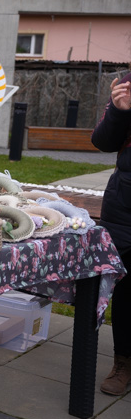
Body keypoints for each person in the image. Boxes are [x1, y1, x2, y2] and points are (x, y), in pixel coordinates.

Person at [91, 74, 131, 396]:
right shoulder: (127, 85)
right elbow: (103, 141)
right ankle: (123, 364)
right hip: (124, 206)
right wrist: (119, 110)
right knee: (127, 292)